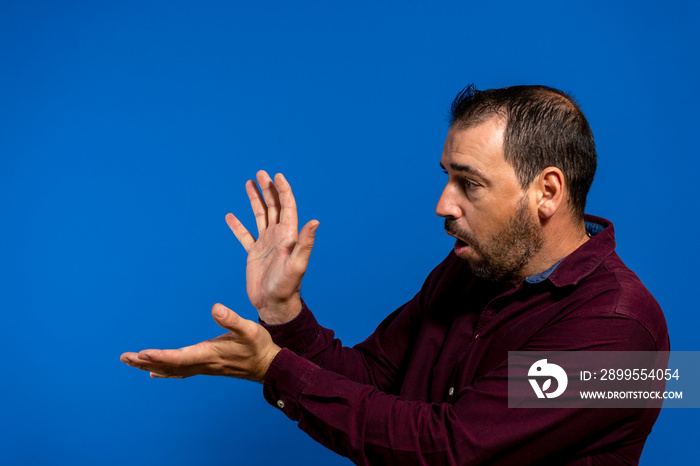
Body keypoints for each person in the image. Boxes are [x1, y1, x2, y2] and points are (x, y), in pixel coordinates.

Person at [121, 85, 669, 465]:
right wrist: (283, 313)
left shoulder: (626, 334)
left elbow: (450, 452)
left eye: (469, 183)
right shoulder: (468, 270)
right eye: (446, 176)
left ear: (546, 191)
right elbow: (373, 380)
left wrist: (274, 369)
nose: (442, 204)